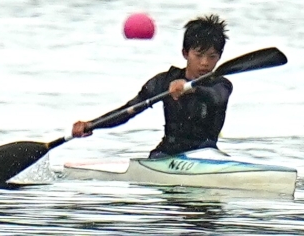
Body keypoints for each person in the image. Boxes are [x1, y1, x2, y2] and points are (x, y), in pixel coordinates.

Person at [71, 14, 231, 157]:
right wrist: (91, 124)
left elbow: (216, 97)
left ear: (219, 57)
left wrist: (190, 88)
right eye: (199, 55)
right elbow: (128, 110)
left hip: (206, 154)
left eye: (212, 56)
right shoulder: (164, 81)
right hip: (167, 154)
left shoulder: (221, 85)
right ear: (185, 53)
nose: (205, 63)